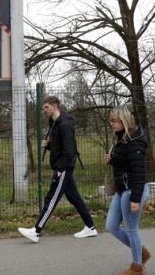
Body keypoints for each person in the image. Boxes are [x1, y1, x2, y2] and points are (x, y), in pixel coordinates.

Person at [17, 95, 97, 243]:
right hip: (62, 165)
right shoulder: (54, 123)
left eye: (46, 107)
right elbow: (60, 147)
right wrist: (49, 147)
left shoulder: (64, 124)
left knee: (51, 198)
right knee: (74, 198)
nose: (44, 110)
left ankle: (36, 231)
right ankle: (90, 227)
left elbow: (69, 149)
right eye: (44, 108)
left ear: (55, 106)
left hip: (64, 167)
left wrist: (61, 168)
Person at [104, 105, 150, 275]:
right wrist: (113, 159)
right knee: (111, 226)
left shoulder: (135, 141)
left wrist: (135, 199)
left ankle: (137, 267)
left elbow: (138, 171)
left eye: (114, 121)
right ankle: (141, 252)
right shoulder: (122, 138)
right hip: (122, 189)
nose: (112, 124)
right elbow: (125, 163)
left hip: (133, 190)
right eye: (111, 121)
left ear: (124, 120)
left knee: (131, 229)